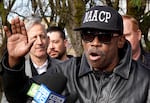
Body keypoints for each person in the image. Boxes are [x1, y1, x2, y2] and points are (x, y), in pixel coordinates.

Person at [1, 5, 150, 103]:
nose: (94, 42)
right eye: (88, 35)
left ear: (121, 41)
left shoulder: (145, 80)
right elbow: (20, 94)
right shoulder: (65, 72)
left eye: (104, 36)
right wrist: (14, 62)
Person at [0, 16, 59, 102]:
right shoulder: (17, 72)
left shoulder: (63, 68)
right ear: (26, 41)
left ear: (48, 40)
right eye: (34, 38)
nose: (39, 42)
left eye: (42, 36)